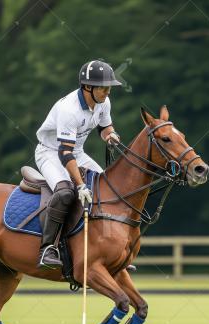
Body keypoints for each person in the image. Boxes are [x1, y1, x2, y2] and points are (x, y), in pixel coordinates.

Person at [34, 60, 122, 269]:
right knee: (66, 193)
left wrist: (111, 136)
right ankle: (48, 248)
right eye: (103, 88)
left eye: (109, 88)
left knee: (109, 189)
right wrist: (81, 184)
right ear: (87, 87)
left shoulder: (103, 103)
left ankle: (110, 250)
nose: (107, 92)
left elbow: (104, 127)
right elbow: (65, 153)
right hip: (51, 153)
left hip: (78, 152)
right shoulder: (68, 109)